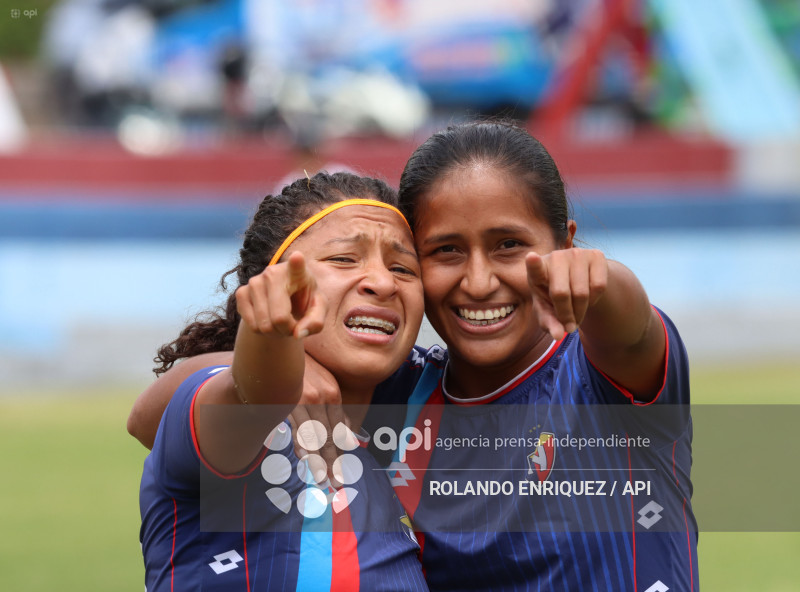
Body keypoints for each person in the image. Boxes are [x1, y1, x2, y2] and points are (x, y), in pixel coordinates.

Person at [131, 121, 697, 591]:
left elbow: (630, 331)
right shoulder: (396, 397)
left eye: (510, 244)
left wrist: (604, 277)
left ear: (565, 244)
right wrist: (274, 355)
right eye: (444, 252)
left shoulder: (597, 377)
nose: (479, 281)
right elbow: (159, 414)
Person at [138, 171, 429, 591]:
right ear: (270, 283)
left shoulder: (412, 415)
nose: (383, 282)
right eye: (343, 259)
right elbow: (252, 393)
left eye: (403, 267)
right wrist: (276, 342)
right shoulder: (236, 417)